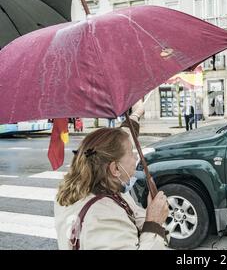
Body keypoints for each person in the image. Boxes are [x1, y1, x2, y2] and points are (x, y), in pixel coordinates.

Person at [54, 102, 170, 250]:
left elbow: (120, 137)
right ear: (115, 168)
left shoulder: (82, 186)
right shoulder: (104, 218)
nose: (136, 158)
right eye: (131, 153)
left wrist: (136, 113)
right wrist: (154, 223)